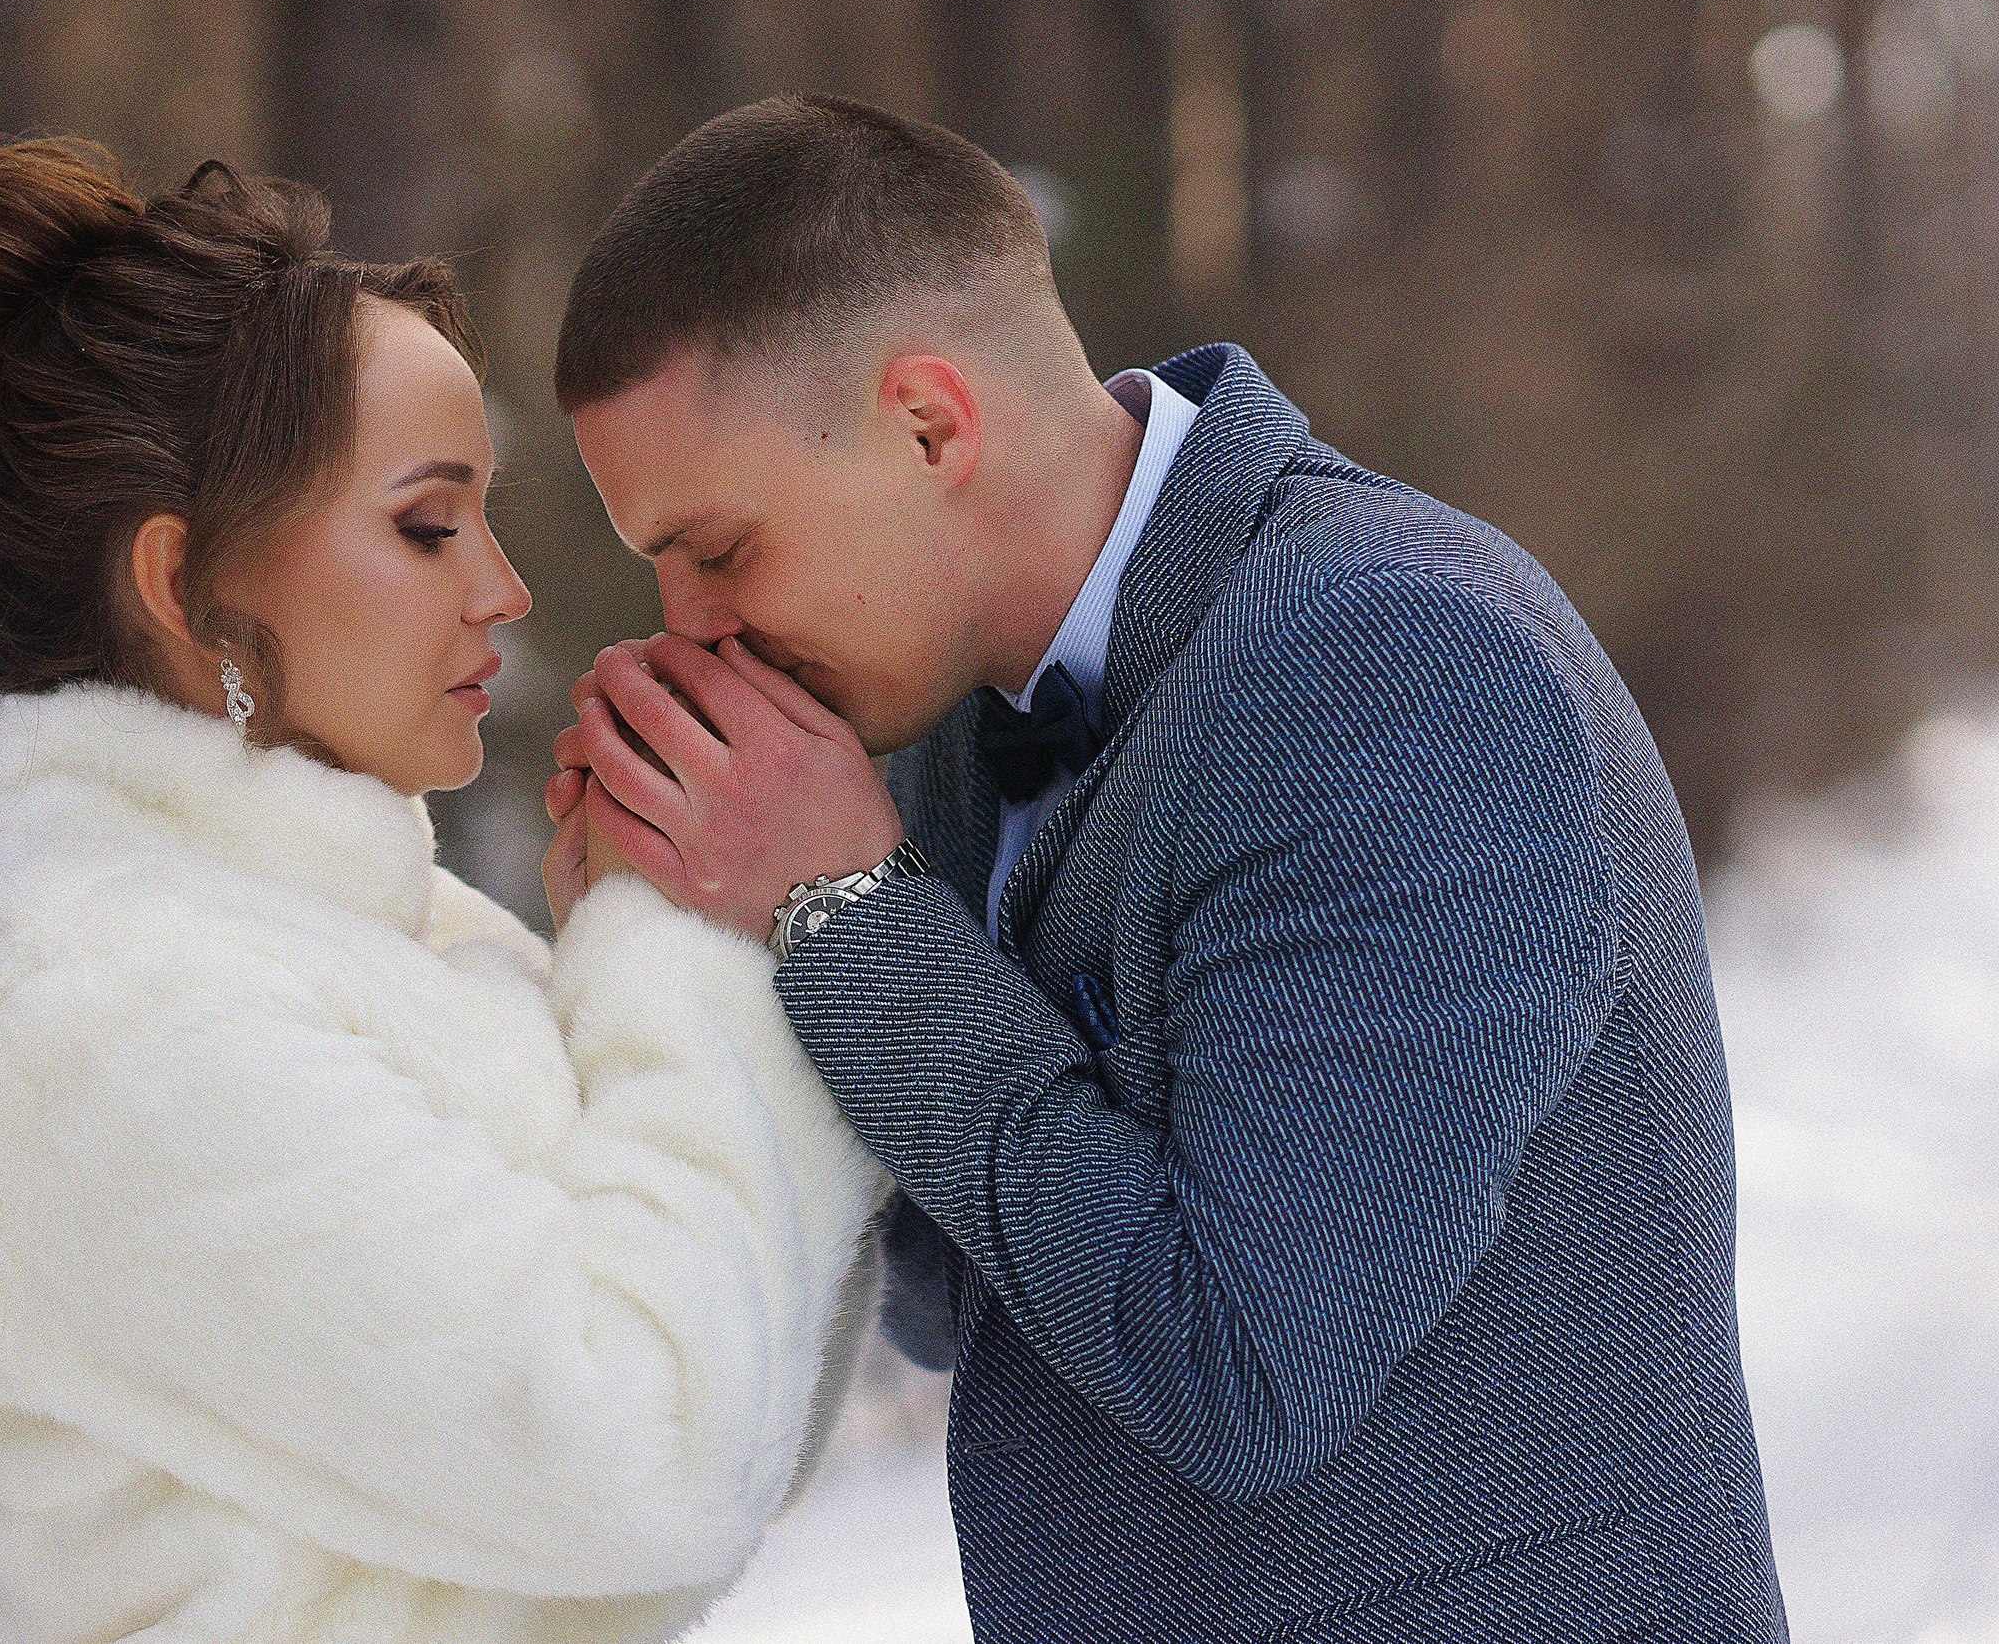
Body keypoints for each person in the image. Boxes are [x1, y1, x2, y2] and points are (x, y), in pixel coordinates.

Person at [545, 94, 1789, 1643]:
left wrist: (844, 917)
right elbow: (968, 1295)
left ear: (930, 423)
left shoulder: (1398, 663)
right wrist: (717, 944)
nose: (692, 626)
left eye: (720, 549)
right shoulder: (934, 711)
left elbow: (1243, 1364)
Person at [0, 137, 886, 1644]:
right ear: (181, 582)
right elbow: (647, 1451)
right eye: (425, 523)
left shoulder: (361, 933)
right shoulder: (92, 1027)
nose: (504, 590)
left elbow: (742, 1400)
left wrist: (649, 948)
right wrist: (687, 950)